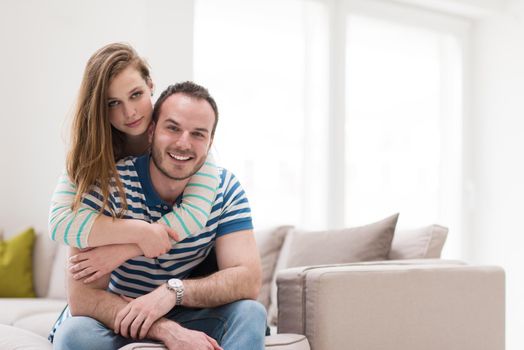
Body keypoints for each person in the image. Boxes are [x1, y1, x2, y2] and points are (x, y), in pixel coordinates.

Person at [50, 81, 266, 350]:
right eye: (172, 128)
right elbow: (84, 298)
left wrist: (172, 292)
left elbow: (248, 278)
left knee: (251, 313)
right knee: (75, 334)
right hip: (119, 314)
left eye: (198, 134)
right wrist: (162, 329)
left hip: (185, 311)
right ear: (151, 131)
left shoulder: (225, 189)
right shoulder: (107, 186)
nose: (184, 143)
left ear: (210, 143)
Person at [48, 43, 219, 265]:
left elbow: (194, 213)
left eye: (135, 95)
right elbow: (60, 223)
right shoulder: (93, 153)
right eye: (113, 103)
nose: (129, 113)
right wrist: (139, 231)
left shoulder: (183, 145)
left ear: (150, 85)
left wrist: (123, 251)